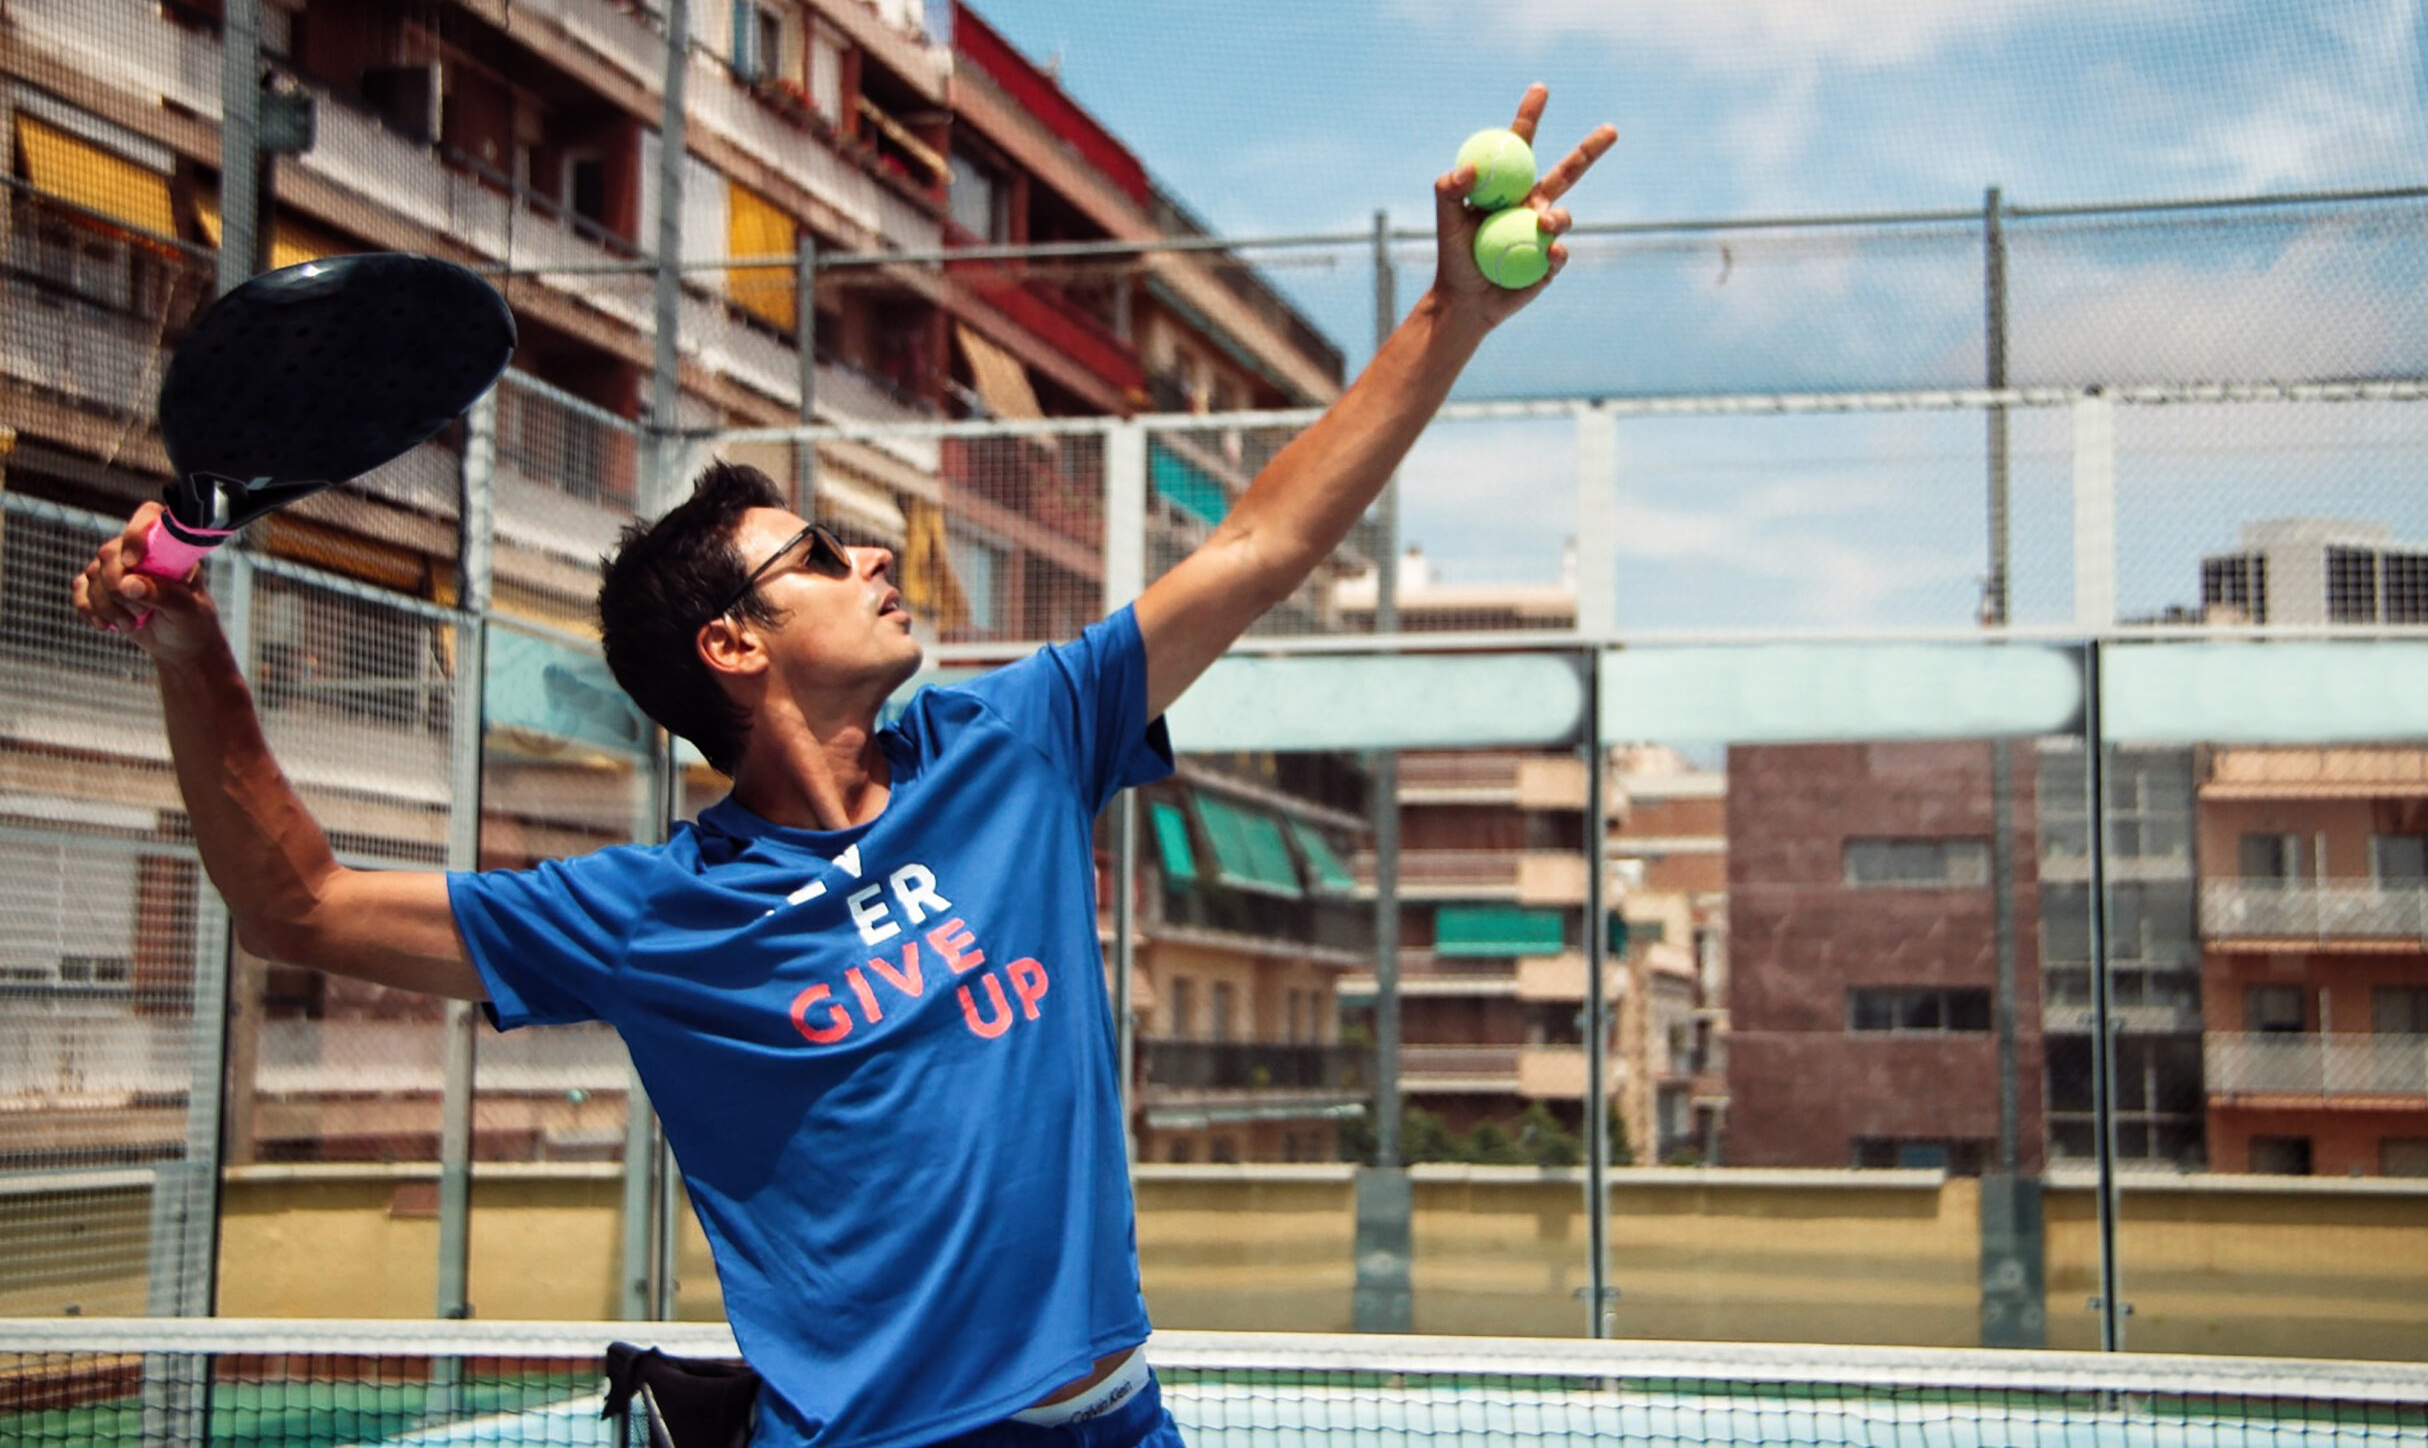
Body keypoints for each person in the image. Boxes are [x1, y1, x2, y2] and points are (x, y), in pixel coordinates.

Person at [74, 86, 1615, 1448]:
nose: (875, 554)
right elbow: (298, 905)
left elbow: (1260, 541)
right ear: (733, 645)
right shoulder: (653, 913)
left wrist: (1450, 317)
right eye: (816, 555)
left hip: (1120, 1421)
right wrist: (188, 641)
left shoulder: (1017, 742)